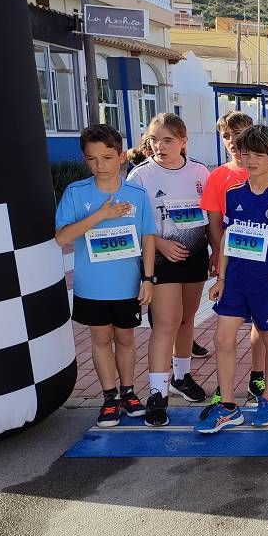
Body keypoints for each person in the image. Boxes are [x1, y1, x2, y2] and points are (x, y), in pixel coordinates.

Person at [200, 125, 268, 433]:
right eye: (247, 154)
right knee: (222, 339)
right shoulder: (233, 193)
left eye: (259, 154)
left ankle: (267, 398)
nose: (252, 160)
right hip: (236, 282)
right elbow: (230, 236)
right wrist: (221, 278)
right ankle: (229, 406)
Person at [54, 124, 156, 428]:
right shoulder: (76, 192)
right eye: (92, 159)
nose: (100, 165)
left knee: (125, 338)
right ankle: (109, 397)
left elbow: (148, 236)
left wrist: (148, 278)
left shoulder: (136, 194)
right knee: (100, 339)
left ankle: (128, 392)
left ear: (121, 156)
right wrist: (101, 215)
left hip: (127, 285)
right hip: (92, 286)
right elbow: (61, 237)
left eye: (107, 158)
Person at [127, 113, 210, 426]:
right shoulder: (140, 176)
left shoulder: (200, 171)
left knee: (187, 319)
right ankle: (157, 394)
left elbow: (210, 216)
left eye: (168, 140)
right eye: (154, 140)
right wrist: (161, 245)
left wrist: (216, 251)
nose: (160, 146)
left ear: (183, 142)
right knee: (166, 323)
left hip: (196, 255)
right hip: (161, 259)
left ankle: (181, 377)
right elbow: (132, 223)